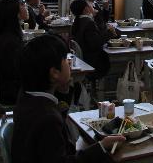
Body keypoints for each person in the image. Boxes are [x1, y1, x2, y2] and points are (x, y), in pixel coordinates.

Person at [12, 34, 124, 163]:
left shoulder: (27, 96)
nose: (70, 62)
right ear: (54, 73)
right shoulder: (48, 118)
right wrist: (101, 147)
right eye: (65, 59)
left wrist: (64, 91)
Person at [0, 0, 28, 105]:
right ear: (14, 12)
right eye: (22, 5)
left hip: (9, 88)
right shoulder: (10, 42)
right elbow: (17, 73)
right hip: (14, 92)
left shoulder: (4, 35)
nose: (26, 7)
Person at [70, 0, 113, 79]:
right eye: (90, 5)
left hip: (83, 58)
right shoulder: (89, 23)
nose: (93, 6)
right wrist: (109, 32)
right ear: (86, 9)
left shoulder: (78, 20)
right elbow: (96, 43)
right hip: (93, 61)